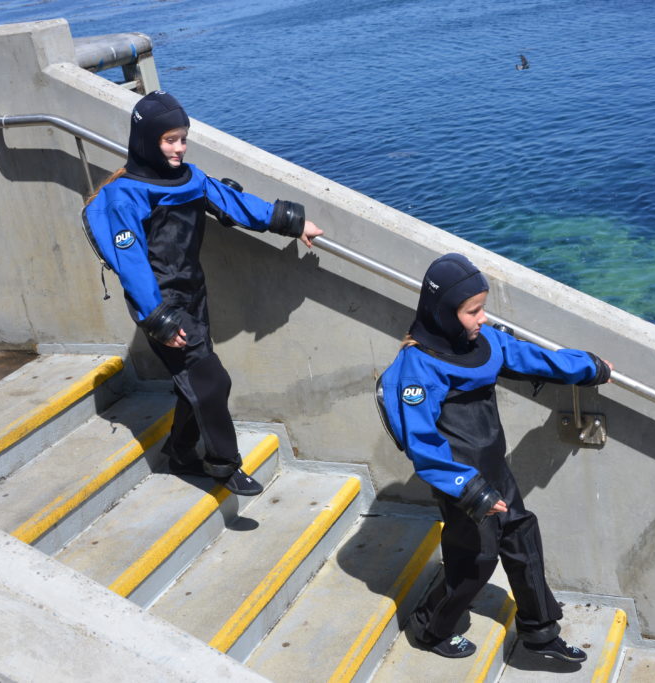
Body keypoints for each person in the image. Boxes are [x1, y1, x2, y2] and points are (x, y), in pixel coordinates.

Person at [82, 91, 323, 496]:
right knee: (212, 382)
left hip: (194, 294)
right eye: (169, 140)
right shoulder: (126, 196)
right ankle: (223, 465)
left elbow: (231, 202)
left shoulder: (189, 178)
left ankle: (179, 450)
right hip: (162, 303)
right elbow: (132, 264)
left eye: (183, 138)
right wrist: (157, 317)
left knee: (190, 382)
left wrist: (291, 222)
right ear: (146, 141)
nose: (179, 148)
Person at [377, 253, 612, 662]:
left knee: (522, 536)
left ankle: (539, 632)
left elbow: (532, 358)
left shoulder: (484, 343)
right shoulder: (417, 366)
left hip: (494, 468)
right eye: (472, 312)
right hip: (463, 481)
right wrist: (469, 490)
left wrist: (588, 367)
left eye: (482, 309)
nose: (482, 319)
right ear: (443, 313)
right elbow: (421, 442)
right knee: (476, 560)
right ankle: (429, 626)